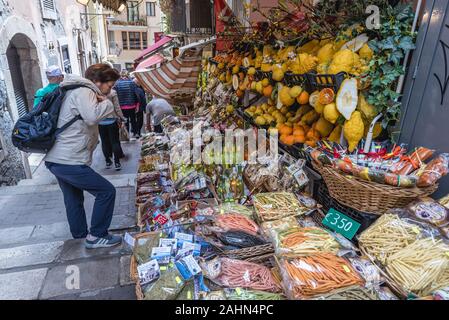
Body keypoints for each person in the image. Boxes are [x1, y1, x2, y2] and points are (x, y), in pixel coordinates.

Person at [44, 64, 122, 249]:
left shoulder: (73, 90)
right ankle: (96, 236)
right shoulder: (84, 91)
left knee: (73, 199)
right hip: (68, 159)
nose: (110, 90)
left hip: (57, 158)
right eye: (109, 85)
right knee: (106, 191)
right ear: (97, 81)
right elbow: (91, 117)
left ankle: (79, 237)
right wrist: (107, 101)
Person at [98, 89, 126, 171]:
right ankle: (117, 162)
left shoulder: (96, 92)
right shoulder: (112, 92)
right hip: (112, 120)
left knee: (104, 142)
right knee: (115, 142)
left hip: (101, 121)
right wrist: (122, 117)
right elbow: (117, 107)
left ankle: (107, 161)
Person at [114, 70, 141, 139]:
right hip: (132, 106)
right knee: (133, 120)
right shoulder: (132, 83)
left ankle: (127, 135)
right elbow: (136, 95)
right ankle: (135, 133)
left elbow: (115, 96)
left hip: (122, 107)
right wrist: (137, 105)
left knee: (125, 121)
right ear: (127, 75)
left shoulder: (116, 84)